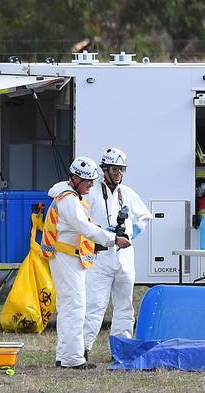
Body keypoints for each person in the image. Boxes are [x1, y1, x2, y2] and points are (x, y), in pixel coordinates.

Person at [44, 156, 131, 369]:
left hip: (71, 257)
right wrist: (112, 239)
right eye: (88, 181)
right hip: (66, 257)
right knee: (75, 307)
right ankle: (73, 359)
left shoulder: (71, 197)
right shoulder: (68, 199)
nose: (92, 185)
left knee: (69, 307)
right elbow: (83, 227)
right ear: (75, 178)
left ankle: (65, 356)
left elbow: (85, 226)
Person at [83, 148, 151, 358]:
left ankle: (122, 350)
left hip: (124, 258)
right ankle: (83, 349)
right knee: (95, 305)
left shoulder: (127, 193)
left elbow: (144, 218)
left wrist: (131, 235)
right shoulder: (92, 193)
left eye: (121, 169)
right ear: (104, 169)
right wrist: (104, 234)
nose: (118, 174)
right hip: (100, 257)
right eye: (114, 169)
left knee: (125, 306)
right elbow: (82, 221)